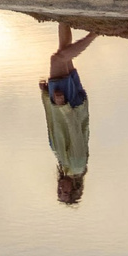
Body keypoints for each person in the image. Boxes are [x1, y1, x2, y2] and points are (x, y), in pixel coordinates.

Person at [38, 22, 96, 204]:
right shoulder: (77, 165)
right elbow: (74, 131)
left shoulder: (66, 166)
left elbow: (53, 125)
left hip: (68, 105)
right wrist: (62, 106)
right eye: (65, 191)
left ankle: (63, 18)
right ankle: (96, 33)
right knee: (58, 59)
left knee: (64, 52)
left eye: (59, 191)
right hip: (70, 106)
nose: (61, 188)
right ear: (76, 189)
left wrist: (45, 95)